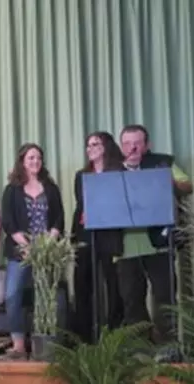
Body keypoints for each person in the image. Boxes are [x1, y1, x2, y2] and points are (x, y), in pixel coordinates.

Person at [114, 124, 192, 346]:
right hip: (126, 246)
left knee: (165, 297)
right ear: (121, 147)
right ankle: (140, 347)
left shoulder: (162, 162)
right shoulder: (112, 170)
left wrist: (169, 181)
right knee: (131, 300)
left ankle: (169, 346)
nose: (133, 148)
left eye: (137, 143)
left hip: (159, 243)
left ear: (146, 145)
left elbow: (187, 186)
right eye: (127, 143)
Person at [0, 143, 65, 360]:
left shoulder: (51, 188)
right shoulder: (12, 190)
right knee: (12, 296)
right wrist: (27, 247)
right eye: (30, 158)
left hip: (47, 253)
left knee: (46, 297)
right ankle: (18, 345)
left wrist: (48, 243)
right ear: (22, 162)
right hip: (20, 253)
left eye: (38, 158)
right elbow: (8, 222)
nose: (35, 161)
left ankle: (44, 345)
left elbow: (59, 218)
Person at [70, 131, 125, 343]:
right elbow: (81, 205)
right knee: (83, 282)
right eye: (88, 144)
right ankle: (83, 336)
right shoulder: (81, 175)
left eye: (96, 144)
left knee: (114, 284)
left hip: (110, 232)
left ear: (107, 147)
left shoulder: (118, 172)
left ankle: (113, 333)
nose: (90, 148)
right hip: (86, 231)